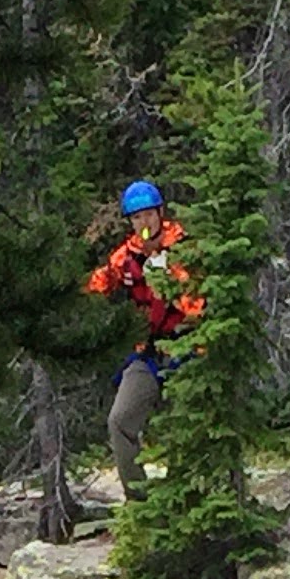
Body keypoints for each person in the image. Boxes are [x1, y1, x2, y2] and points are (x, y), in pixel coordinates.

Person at [85, 179, 204, 493]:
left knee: (187, 424)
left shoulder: (184, 248)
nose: (144, 223)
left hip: (187, 347)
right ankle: (139, 504)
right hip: (148, 351)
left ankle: (189, 496)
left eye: (149, 215)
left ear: (160, 213)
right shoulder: (126, 256)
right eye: (136, 218)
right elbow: (99, 285)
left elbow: (197, 305)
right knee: (120, 421)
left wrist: (171, 279)